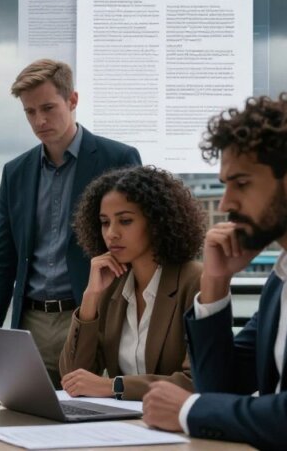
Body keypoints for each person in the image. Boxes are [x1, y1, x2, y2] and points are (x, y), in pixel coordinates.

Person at [142, 93, 287, 449]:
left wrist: (188, 410)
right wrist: (216, 281)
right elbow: (220, 385)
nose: (225, 204)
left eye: (241, 183)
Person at [0, 58, 141, 386]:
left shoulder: (118, 159)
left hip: (93, 317)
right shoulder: (15, 172)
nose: (40, 120)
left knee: (89, 422)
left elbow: (138, 245)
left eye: (48, 108)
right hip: (30, 324)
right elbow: (2, 259)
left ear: (73, 100)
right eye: (30, 111)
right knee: (25, 420)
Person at [59, 166, 204, 401]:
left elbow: (197, 381)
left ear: (157, 222)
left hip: (172, 424)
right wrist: (90, 298)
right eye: (105, 222)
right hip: (119, 423)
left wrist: (114, 386)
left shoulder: (194, 281)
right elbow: (74, 377)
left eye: (125, 221)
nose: (111, 233)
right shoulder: (111, 285)